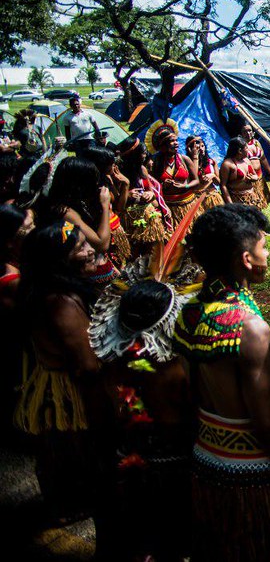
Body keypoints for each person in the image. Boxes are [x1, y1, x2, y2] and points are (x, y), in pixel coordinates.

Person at [174, 205, 270, 561]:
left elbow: (189, 392)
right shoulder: (248, 327)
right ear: (246, 259)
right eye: (264, 248)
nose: (268, 254)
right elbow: (265, 420)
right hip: (250, 469)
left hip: (205, 458)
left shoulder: (190, 311)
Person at [88, 239, 197, 561]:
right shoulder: (173, 367)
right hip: (174, 463)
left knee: (143, 530)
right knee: (173, 537)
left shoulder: (115, 360)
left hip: (132, 452)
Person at [14, 222, 106, 526]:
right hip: (67, 391)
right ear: (59, 259)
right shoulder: (61, 303)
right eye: (80, 246)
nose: (91, 248)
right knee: (70, 449)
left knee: (62, 450)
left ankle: (67, 499)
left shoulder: (51, 292)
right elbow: (88, 366)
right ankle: (66, 505)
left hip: (55, 383)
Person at [147, 120, 218, 233]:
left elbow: (195, 181)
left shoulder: (184, 159)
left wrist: (184, 186)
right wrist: (162, 185)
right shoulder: (155, 164)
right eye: (171, 141)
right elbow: (151, 186)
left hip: (189, 204)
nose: (176, 143)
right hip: (170, 207)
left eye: (176, 140)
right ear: (163, 145)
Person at [1, 204, 33, 443]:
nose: (34, 233)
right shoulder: (12, 280)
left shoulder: (17, 264)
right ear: (9, 242)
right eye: (27, 230)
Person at [116, 138, 169, 256]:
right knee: (135, 252)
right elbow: (115, 201)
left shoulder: (142, 169)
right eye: (142, 153)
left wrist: (150, 194)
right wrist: (127, 193)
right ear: (133, 155)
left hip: (148, 214)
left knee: (153, 250)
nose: (145, 155)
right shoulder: (118, 172)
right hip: (130, 217)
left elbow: (152, 191)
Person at [220, 136, 267, 207]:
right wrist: (230, 203)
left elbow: (255, 175)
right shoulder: (227, 164)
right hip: (236, 199)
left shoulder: (247, 160)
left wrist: (255, 178)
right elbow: (223, 185)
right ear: (239, 151)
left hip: (251, 197)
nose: (248, 150)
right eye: (246, 148)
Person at [241, 123, 270, 205]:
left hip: (259, 177)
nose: (248, 133)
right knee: (251, 202)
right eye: (244, 131)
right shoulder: (241, 146)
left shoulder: (256, 143)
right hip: (248, 178)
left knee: (260, 201)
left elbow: (263, 158)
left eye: (249, 130)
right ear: (241, 134)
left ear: (253, 132)